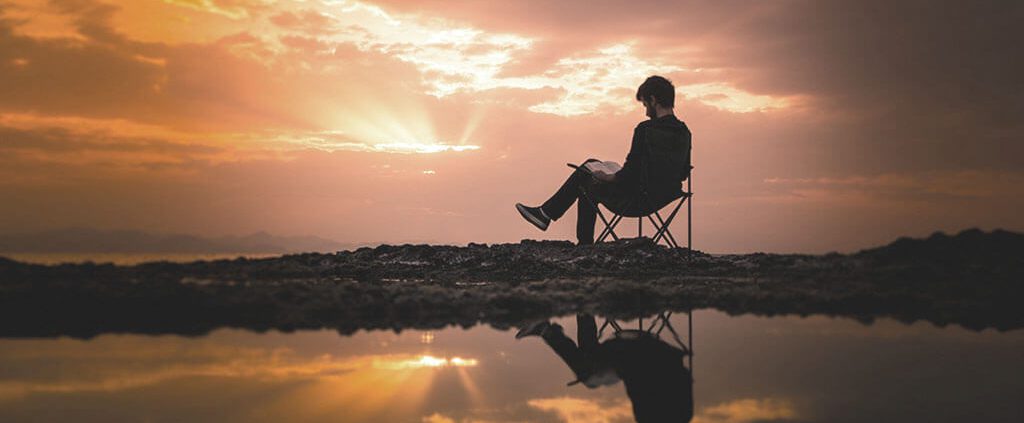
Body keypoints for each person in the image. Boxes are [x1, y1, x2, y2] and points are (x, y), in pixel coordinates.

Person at [515, 75, 692, 245]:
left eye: (646, 105)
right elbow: (684, 172)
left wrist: (608, 177)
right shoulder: (685, 132)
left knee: (586, 179)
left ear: (654, 100)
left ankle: (570, 233)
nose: (646, 112)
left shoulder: (646, 130)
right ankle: (546, 214)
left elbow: (629, 173)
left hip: (637, 199)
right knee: (591, 165)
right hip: (664, 197)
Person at [516, 314, 694, 423]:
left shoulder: (684, 415)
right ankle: (547, 329)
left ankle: (580, 311)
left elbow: (677, 375)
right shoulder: (653, 418)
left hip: (650, 350)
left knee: (591, 370)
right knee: (590, 375)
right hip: (637, 350)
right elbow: (637, 382)